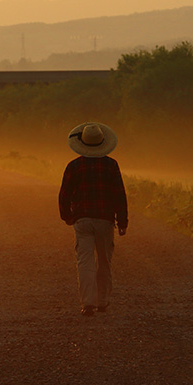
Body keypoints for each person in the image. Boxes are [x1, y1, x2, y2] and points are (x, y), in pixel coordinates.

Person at [58, 122, 128, 316]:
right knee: (104, 261)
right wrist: (122, 222)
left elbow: (64, 194)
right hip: (105, 219)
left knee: (85, 261)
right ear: (102, 142)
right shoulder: (111, 165)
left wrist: (67, 216)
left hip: (82, 220)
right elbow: (119, 195)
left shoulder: (74, 166)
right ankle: (103, 302)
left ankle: (88, 303)